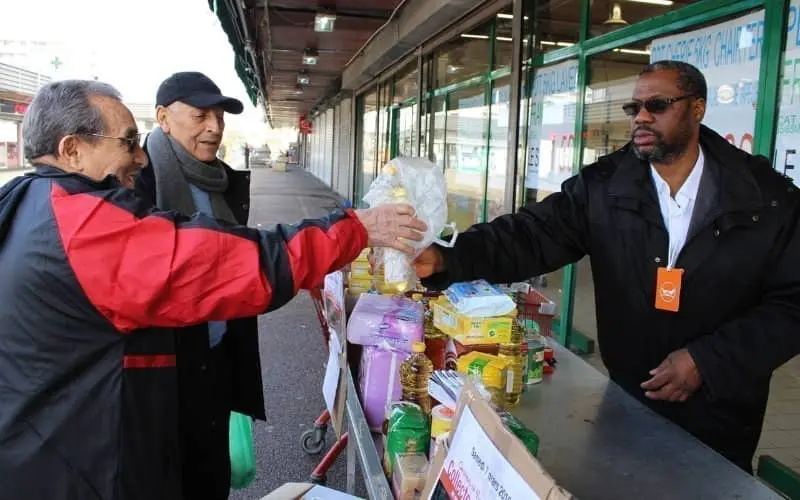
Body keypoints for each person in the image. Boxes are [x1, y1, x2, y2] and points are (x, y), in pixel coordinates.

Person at [0, 79, 426, 500]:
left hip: (65, 443)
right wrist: (354, 229)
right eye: (128, 142)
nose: (141, 156)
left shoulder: (28, 200)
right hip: (82, 466)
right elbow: (231, 264)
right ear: (71, 149)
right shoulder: (85, 223)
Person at [414, 60, 800, 473]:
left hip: (723, 415)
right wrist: (447, 256)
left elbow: (793, 305)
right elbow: (529, 235)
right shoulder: (606, 185)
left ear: (698, 109)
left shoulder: (765, 198)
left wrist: (708, 361)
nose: (642, 118)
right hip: (628, 402)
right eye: (634, 108)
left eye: (658, 104)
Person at [134, 72, 262, 499]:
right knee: (166, 474)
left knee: (211, 471)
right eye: (201, 115)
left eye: (220, 117)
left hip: (218, 349)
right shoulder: (135, 182)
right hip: (163, 361)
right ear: (163, 118)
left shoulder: (223, 181)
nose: (215, 127)